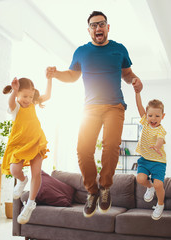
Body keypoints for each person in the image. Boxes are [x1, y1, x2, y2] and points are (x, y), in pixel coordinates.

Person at [46, 11, 143, 218]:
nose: (98, 28)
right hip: (89, 108)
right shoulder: (81, 52)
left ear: (108, 27)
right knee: (83, 150)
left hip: (114, 106)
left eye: (101, 24)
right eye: (93, 25)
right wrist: (55, 74)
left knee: (111, 146)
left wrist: (136, 80)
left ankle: (105, 187)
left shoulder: (119, 49)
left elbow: (127, 74)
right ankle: (93, 191)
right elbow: (72, 76)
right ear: (89, 30)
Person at [1, 77, 52, 224]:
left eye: (30, 96)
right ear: (17, 94)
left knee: (36, 172)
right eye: (24, 96)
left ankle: (30, 204)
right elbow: (10, 103)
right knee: (14, 170)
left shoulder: (33, 104)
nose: (28, 100)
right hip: (19, 144)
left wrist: (49, 78)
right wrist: (14, 91)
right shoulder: (16, 107)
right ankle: (22, 180)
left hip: (36, 141)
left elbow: (47, 96)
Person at [134, 87, 167, 220]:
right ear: (146, 115)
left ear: (162, 116)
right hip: (144, 159)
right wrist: (137, 92)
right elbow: (139, 105)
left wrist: (157, 146)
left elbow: (160, 140)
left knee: (159, 184)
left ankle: (160, 204)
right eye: (150, 115)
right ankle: (150, 187)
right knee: (140, 179)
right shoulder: (145, 123)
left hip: (158, 161)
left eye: (157, 116)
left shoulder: (161, 130)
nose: (153, 118)